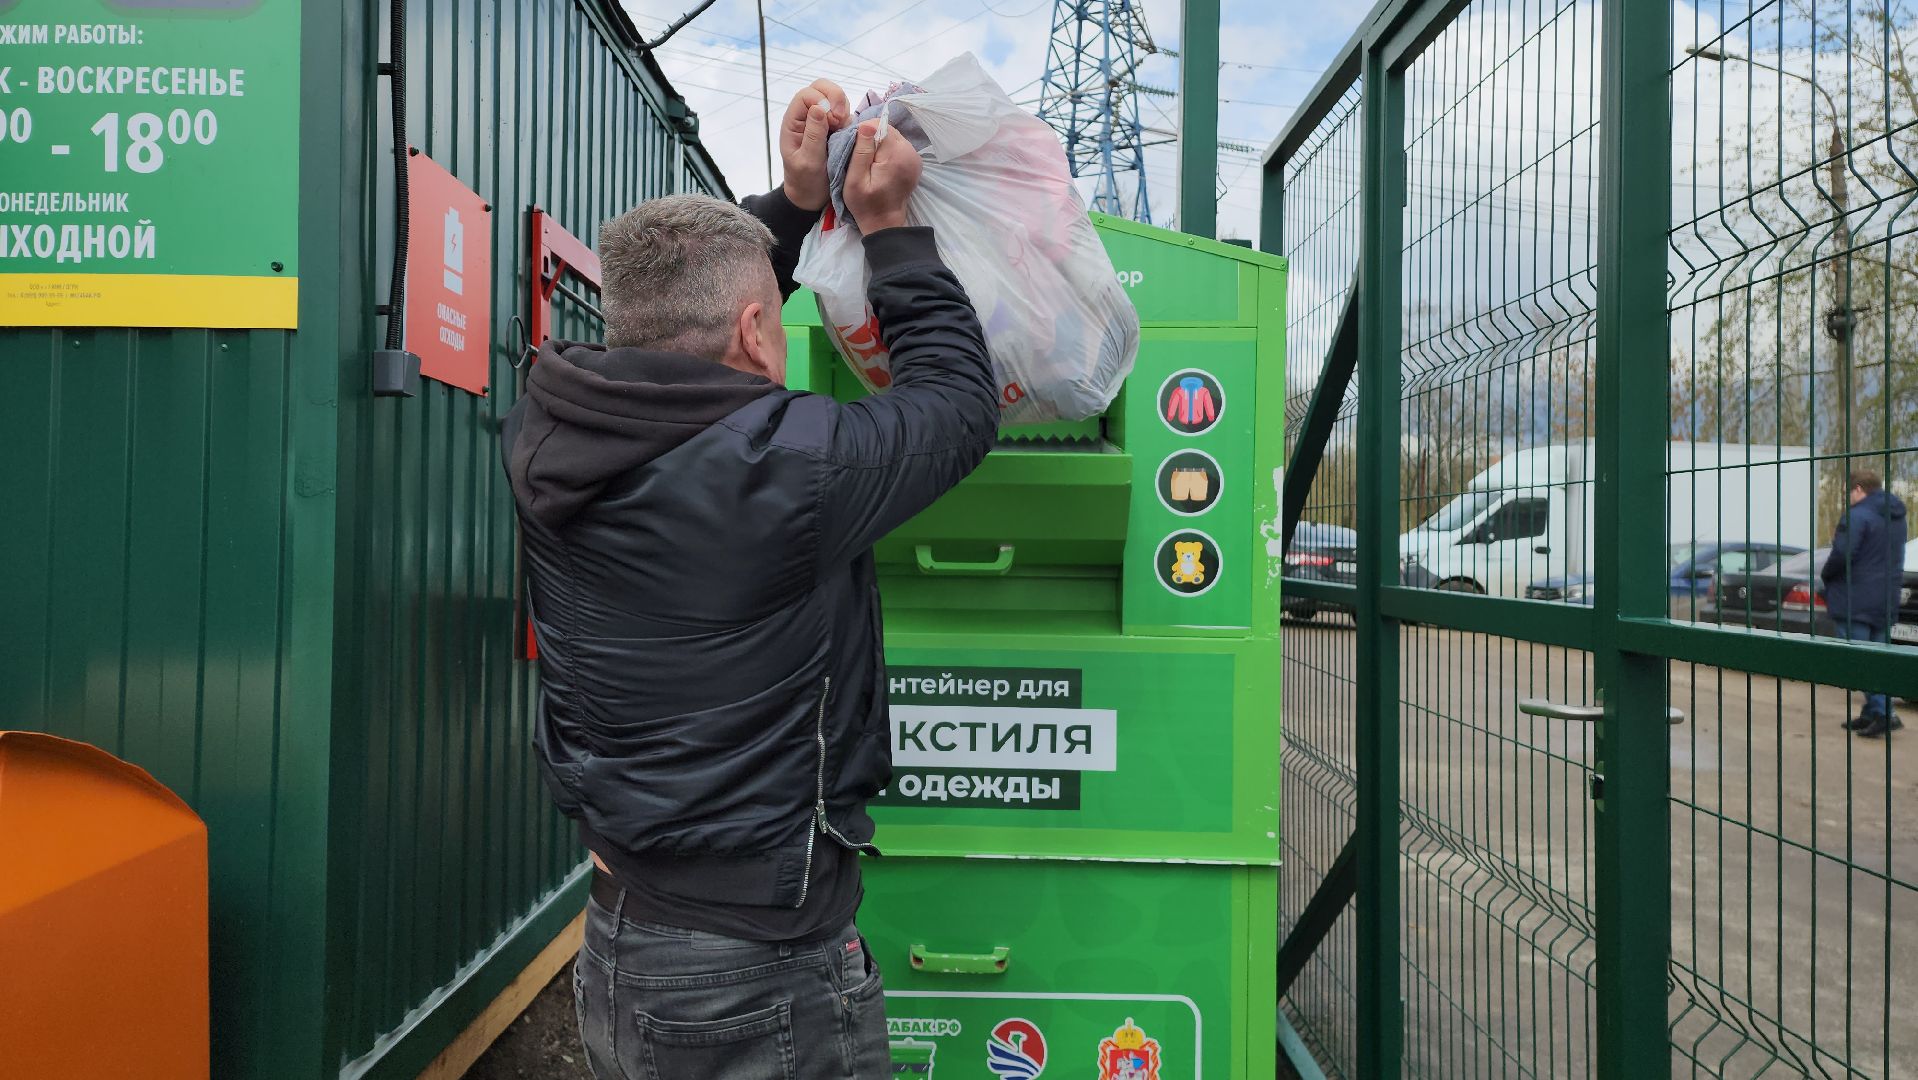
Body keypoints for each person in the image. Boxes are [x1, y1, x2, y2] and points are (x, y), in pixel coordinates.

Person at [499, 79, 998, 1079]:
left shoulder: (549, 424)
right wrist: (889, 227)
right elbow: (956, 401)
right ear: (755, 333)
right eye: (771, 311)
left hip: (626, 931)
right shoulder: (784, 466)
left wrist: (797, 204)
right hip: (753, 974)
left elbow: (690, 316)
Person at [1822, 469, 1908, 737]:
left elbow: (1843, 554)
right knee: (1879, 657)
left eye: (1849, 492)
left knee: (1858, 659)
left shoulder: (1857, 516)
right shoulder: (1897, 518)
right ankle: (1871, 712)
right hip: (1885, 599)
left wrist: (1826, 575)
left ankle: (1884, 713)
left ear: (1858, 489)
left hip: (1855, 599)